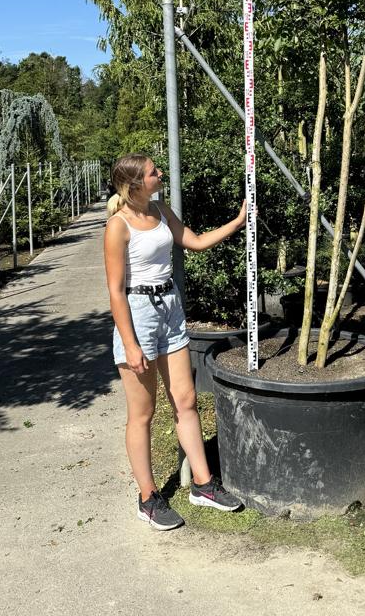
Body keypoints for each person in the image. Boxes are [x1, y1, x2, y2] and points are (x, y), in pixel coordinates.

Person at [104, 152, 246, 530]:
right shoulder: (118, 227)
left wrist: (237, 222)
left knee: (185, 400)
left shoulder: (161, 210)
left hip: (170, 307)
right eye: (153, 172)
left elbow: (195, 242)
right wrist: (131, 344)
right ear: (135, 184)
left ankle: (203, 484)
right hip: (137, 313)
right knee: (142, 414)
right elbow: (116, 291)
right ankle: (148, 497)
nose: (160, 173)